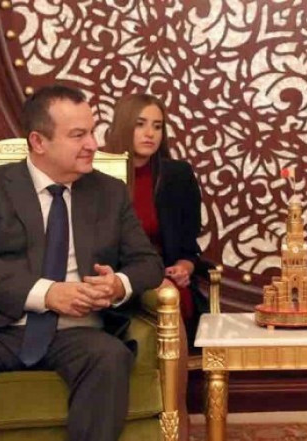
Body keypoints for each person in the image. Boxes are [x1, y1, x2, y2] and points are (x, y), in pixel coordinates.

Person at [0, 85, 164, 441]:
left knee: (110, 358)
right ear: (38, 142)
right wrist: (47, 293)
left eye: (92, 132)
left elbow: (147, 262)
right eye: (78, 135)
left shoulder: (109, 192)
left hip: (76, 330)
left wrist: (117, 285)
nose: (93, 144)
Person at [105, 93, 204, 441]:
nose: (150, 134)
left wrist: (186, 265)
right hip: (115, 280)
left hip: (164, 282)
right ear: (123, 126)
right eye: (140, 124)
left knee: (170, 300)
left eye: (158, 126)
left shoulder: (176, 175)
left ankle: (177, 421)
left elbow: (190, 246)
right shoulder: (100, 172)